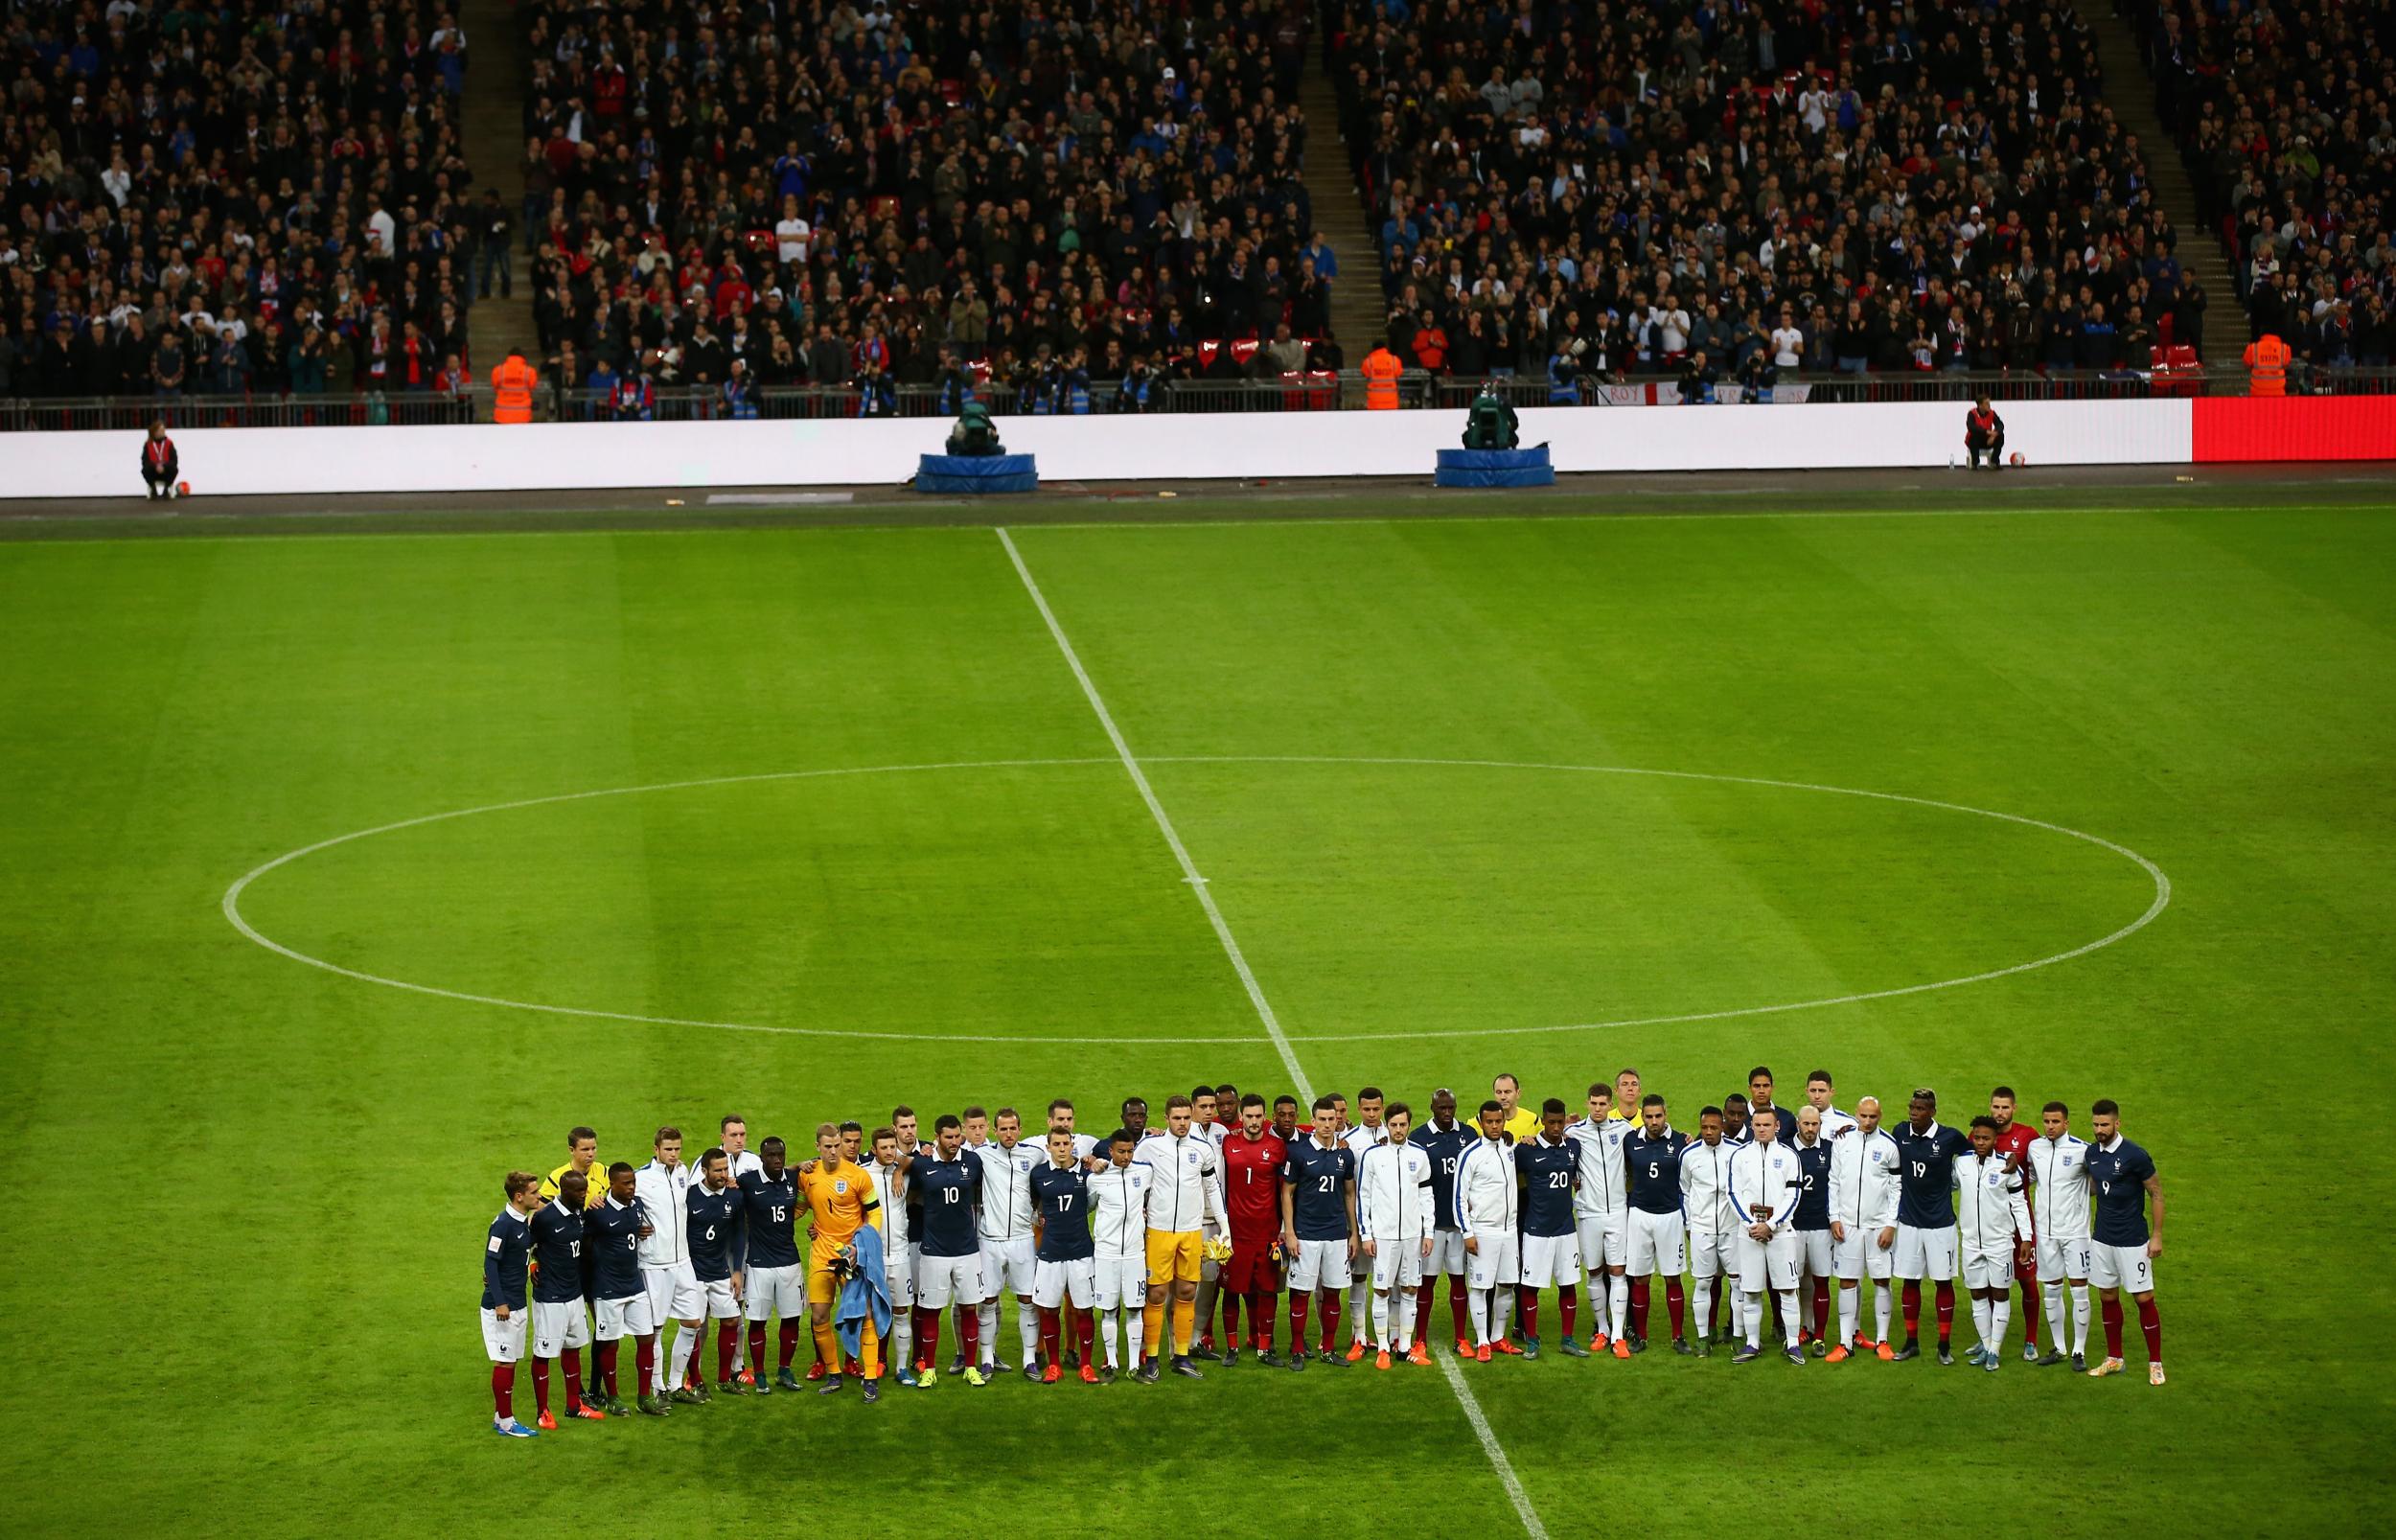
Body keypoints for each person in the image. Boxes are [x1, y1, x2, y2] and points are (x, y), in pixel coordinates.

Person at [1134, 1094, 1229, 1380]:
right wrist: (1139, 1214)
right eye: (1177, 1118)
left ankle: (1181, 1356)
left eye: (1187, 1118)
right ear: (1166, 1119)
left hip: (1191, 1231)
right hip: (1159, 1232)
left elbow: (1213, 1188)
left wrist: (1225, 1229)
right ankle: (1151, 1358)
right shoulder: (1149, 1147)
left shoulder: (1202, 1150)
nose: (1182, 1123)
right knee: (1157, 1294)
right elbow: (1134, 1181)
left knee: (1188, 1292)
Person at [799, 1120, 885, 1396]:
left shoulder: (858, 1175)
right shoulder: (807, 1175)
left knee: (865, 1313)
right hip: (823, 1255)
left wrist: (862, 1246)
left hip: (850, 1257)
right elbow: (799, 1208)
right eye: (828, 1147)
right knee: (819, 1315)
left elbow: (875, 1213)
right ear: (817, 1148)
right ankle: (834, 1373)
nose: (834, 1151)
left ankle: (870, 1377)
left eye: (837, 1145)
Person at [2085, 1099, 2165, 1384]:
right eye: (2095, 1125)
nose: (2099, 1130)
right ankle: (2114, 1358)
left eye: (2104, 1125)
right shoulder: (2092, 1153)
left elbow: (2156, 1193)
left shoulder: (2135, 1155)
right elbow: (2096, 1186)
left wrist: (2156, 1235)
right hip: (2103, 1238)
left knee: (2143, 1298)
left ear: (2117, 1123)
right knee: (2107, 1295)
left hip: (2132, 1240)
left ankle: (2155, 1362)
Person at [1279, 1094, 1358, 1369]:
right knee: (1300, 1293)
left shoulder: (1345, 1155)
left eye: (1332, 1119)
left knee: (1334, 1292)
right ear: (1312, 1122)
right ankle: (1298, 1349)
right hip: (1306, 1233)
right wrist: (1289, 1232)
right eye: (1322, 1119)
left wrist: (1354, 1233)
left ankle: (1328, 1347)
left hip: (1336, 1233)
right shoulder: (1299, 1153)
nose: (1327, 1124)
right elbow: (1287, 1193)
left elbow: (1350, 1194)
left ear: (1339, 1121)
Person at [1891, 1090, 1970, 1364]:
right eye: (1912, 1107)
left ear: (1933, 1111)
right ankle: (1911, 1342)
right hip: (1909, 1223)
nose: (1914, 1112)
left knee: (1943, 1281)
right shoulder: (1900, 1132)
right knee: (1909, 1280)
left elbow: (1976, 1152)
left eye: (1921, 1108)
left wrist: (1957, 1181)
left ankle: (1944, 1346)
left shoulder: (1950, 1137)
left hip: (1940, 1225)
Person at [1356, 1101, 1435, 1368]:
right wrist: (1366, 1234)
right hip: (1384, 1236)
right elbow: (1363, 1196)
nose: (1398, 1129)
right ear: (1386, 1125)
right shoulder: (1373, 1156)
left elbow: (1426, 1195)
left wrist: (1429, 1231)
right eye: (1394, 1125)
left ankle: (1404, 1346)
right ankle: (1382, 1347)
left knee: (1411, 1288)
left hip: (1413, 1235)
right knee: (1381, 1290)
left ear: (1408, 1125)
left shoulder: (1420, 1155)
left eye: (1403, 1124)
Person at [910, 1115, 986, 1385]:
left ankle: (971, 1366)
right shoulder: (922, 1164)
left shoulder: (972, 1162)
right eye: (948, 1137)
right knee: (931, 1310)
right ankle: (929, 1368)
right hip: (933, 1251)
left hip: (967, 1249)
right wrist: (898, 1171)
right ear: (937, 1136)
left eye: (957, 1137)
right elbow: (903, 1166)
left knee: (969, 1308)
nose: (954, 1142)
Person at [1725, 1108, 1806, 1365]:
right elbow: (1733, 1193)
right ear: (1751, 1126)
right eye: (1757, 1124)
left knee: (1788, 1289)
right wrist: (1752, 1224)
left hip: (1780, 1234)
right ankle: (1752, 1343)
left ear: (1777, 1126)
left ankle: (1792, 1343)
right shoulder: (1740, 1156)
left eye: (1766, 1124)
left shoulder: (1789, 1156)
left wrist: (1771, 1224)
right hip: (1748, 1234)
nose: (1761, 1129)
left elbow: (1793, 1196)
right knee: (1750, 1291)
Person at [1827, 1095, 1902, 1361]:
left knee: (1882, 1280)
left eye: (1873, 1116)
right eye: (1863, 1116)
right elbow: (1833, 1181)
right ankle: (1845, 1343)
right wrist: (1834, 1217)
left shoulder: (1889, 1146)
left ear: (1880, 1116)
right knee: (1847, 1281)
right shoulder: (1842, 1141)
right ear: (1856, 1115)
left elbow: (1896, 1188)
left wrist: (1891, 1224)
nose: (1867, 1121)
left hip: (1878, 1227)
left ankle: (1883, 1340)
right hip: (1847, 1225)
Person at [587, 1162, 665, 1415]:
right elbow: (582, 1244)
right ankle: (613, 1398)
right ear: (612, 1184)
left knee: (647, 1338)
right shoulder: (597, 1212)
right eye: (626, 1183)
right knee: (610, 1344)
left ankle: (644, 1397)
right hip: (608, 1289)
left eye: (633, 1182)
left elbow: (632, 1229)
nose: (632, 1187)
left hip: (635, 1284)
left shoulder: (637, 1206)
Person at [1956, 1117, 2034, 1372]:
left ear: (1994, 1141)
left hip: (2000, 1243)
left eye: (1986, 1138)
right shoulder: (1962, 1164)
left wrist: (2027, 1238)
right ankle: (1987, 1345)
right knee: (1977, 1293)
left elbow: (2020, 1204)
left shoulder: (2006, 1168)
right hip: (1970, 1242)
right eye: (1977, 1137)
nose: (1980, 1142)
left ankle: (1995, 1351)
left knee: (2000, 1294)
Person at [633, 1128, 703, 1403]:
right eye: (668, 1149)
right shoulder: (641, 1178)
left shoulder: (684, 1172)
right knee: (655, 1329)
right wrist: (636, 1224)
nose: (674, 1154)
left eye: (677, 1149)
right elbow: (616, 1199)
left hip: (683, 1260)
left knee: (693, 1322)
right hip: (654, 1263)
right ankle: (657, 1387)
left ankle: (675, 1385)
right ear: (656, 1149)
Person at [528, 1170, 602, 1427]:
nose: (584, 1195)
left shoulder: (580, 1212)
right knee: (544, 1353)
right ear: (564, 1191)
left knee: (573, 1347)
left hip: (574, 1293)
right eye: (579, 1191)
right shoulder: (545, 1218)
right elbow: (527, 1245)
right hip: (550, 1297)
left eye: (585, 1190)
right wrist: (531, 1266)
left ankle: (574, 1405)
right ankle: (543, 1412)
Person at [1565, 1084, 1633, 1357]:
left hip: (1617, 1211)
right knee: (1594, 1271)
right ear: (1587, 1103)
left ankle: (1618, 1335)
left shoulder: (1624, 1130)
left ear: (1610, 1104)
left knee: (1617, 1271)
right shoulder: (1574, 1133)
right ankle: (1602, 1329)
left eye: (1602, 1104)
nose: (1597, 1109)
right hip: (1588, 1213)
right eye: (1593, 1103)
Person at [2026, 1101, 2095, 1369]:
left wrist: (2079, 1201)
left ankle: (2079, 1351)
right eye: (2046, 1121)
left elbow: (2097, 1182)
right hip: (2045, 1231)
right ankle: (2059, 1347)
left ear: (2066, 1123)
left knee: (2079, 1290)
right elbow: (2030, 1177)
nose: (2050, 1126)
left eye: (2056, 1122)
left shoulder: (2082, 1150)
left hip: (2076, 1232)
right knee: (2051, 1290)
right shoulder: (2036, 1148)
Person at [1219, 1093, 1286, 1365]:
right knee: (1232, 1290)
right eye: (1250, 1116)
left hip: (1267, 1233)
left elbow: (1285, 1191)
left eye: (1259, 1116)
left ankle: (1264, 1347)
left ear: (1264, 1116)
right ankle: (1232, 1348)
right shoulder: (1228, 1142)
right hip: (1236, 1234)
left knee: (1267, 1290)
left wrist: (1282, 1230)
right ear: (1242, 1116)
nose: (1255, 1121)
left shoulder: (1277, 1147)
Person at [976, 1108, 1043, 1379]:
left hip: (1022, 1239)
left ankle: (1029, 1359)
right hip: (990, 1240)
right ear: (995, 1131)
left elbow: (1058, 1164)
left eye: (1012, 1128)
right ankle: (987, 1358)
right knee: (988, 1300)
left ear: (1020, 1129)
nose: (1008, 1133)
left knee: (1027, 1299)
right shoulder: (982, 1155)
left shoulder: (1035, 1154)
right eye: (1002, 1129)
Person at [1512, 1099, 1582, 1359]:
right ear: (1542, 1121)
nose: (1555, 1127)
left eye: (1560, 1122)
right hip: (1536, 1230)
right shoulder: (1526, 1150)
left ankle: (1568, 1339)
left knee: (1569, 1284)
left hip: (1566, 1229)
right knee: (1530, 1286)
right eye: (1551, 1122)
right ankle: (1532, 1340)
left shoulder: (1573, 1146)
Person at [1029, 1129, 1100, 1383]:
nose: (1062, 1148)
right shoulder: (1038, 1175)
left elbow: (1093, 1204)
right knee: (1049, 1310)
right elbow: (1033, 1206)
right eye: (1056, 1144)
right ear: (1048, 1147)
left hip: (1081, 1252)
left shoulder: (1085, 1174)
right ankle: (1054, 1365)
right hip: (1050, 1252)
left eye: (1066, 1143)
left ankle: (1086, 1365)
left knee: (1084, 1310)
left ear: (1072, 1145)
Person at [1454, 1100, 1523, 1362]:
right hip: (1483, 1231)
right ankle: (1482, 1340)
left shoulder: (1508, 1148)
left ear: (1504, 1121)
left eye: (1499, 1121)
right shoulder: (1470, 1154)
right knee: (1480, 1287)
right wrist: (1467, 1232)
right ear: (1480, 1122)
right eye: (1489, 1122)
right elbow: (1459, 1197)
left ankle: (1497, 1337)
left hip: (1509, 1231)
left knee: (1507, 1284)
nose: (1495, 1126)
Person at [1412, 1088, 1478, 1356]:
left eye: (1451, 1107)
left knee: (1459, 1281)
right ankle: (1421, 1339)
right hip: (1433, 1225)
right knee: (1426, 1282)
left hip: (1460, 1225)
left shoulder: (1468, 1135)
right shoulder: (1418, 1138)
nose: (1447, 1113)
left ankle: (1461, 1338)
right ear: (1432, 1108)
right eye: (1442, 1108)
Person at [739, 1137, 808, 1392]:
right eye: (771, 1155)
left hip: (790, 1261)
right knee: (758, 1320)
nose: (777, 1159)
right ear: (761, 1157)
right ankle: (759, 1374)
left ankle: (785, 1371)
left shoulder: (792, 1179)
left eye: (780, 1154)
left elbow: (803, 1176)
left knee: (791, 1318)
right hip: (758, 1264)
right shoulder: (748, 1182)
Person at [1625, 1094, 1693, 1353]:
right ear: (1643, 1116)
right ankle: (1640, 1337)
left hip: (1670, 1216)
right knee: (1640, 1278)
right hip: (1639, 1215)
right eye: (1649, 1117)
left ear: (1666, 1114)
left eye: (1659, 1116)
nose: (1654, 1122)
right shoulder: (1631, 1140)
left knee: (1672, 1277)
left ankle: (1678, 1337)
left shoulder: (1681, 1142)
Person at [1086, 1130, 1153, 1382]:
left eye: (1130, 1151)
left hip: (1135, 1253)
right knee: (1109, 1310)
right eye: (1121, 1152)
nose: (1126, 1156)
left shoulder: (1144, 1172)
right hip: (1106, 1253)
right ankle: (1112, 1363)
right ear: (1111, 1151)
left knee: (1135, 1308)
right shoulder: (1097, 1179)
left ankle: (1134, 1366)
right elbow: (1087, 1207)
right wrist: (1092, 1167)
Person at [481, 1170, 543, 1437]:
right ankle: (506, 1422)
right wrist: (500, 1302)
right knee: (504, 1362)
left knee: (512, 1360)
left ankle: (500, 1416)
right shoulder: (503, 1224)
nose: (538, 1196)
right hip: (502, 1307)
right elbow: (490, 1263)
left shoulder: (521, 1221)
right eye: (534, 1192)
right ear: (519, 1196)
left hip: (518, 1302)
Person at [1987, 1088, 2044, 1362]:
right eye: (1995, 1107)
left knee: (2027, 1281)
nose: (1999, 1113)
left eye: (2004, 1108)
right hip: (1990, 1222)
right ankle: (1987, 1338)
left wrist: (2019, 1187)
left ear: (2014, 1109)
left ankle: (2031, 1339)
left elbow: (2035, 1169)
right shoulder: (1983, 1134)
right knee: (1989, 1282)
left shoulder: (2027, 1136)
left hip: (2021, 1223)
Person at [1679, 1106, 1739, 1354]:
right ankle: (1703, 1337)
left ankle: (1738, 1336)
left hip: (1732, 1228)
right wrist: (1690, 1224)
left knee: (1738, 1283)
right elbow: (1683, 1191)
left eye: (1714, 1127)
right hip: (1703, 1228)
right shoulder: (1689, 1154)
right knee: (1703, 1283)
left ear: (1722, 1127)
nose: (1709, 1132)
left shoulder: (1737, 1153)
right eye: (1704, 1127)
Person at [1337, 1089, 1390, 1359]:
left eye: (1376, 1109)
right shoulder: (1346, 1141)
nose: (1371, 1114)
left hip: (1391, 1222)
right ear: (1359, 1108)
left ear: (1382, 1108)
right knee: (1358, 1277)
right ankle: (1359, 1335)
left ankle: (1390, 1337)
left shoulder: (1395, 1136)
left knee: (1389, 1279)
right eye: (1366, 1109)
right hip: (1358, 1222)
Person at [866, 1129, 920, 1386]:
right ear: (874, 1150)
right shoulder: (864, 1176)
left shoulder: (905, 1171)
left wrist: (899, 1168)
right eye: (884, 1148)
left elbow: (917, 1159)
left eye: (892, 1147)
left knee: (901, 1311)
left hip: (900, 1254)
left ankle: (901, 1368)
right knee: (872, 1314)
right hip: (874, 1257)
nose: (889, 1152)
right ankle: (874, 1364)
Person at [1790, 1107, 1836, 1352]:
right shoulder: (1786, 1149)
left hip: (1821, 1227)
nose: (1810, 1129)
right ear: (1798, 1123)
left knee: (1821, 1280)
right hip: (1793, 1228)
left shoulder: (1830, 1149)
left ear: (1820, 1124)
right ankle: (1799, 1329)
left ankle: (1819, 1335)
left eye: (1814, 1124)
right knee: (1792, 1282)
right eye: (1806, 1124)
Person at [538, 1127, 606, 1207]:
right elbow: (537, 1211)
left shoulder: (603, 1171)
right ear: (571, 1150)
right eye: (585, 1149)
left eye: (593, 1148)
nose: (591, 1154)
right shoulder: (557, 1177)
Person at [1462, 382, 1520, 448]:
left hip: (1477, 441)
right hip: (1501, 441)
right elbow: (1514, 422)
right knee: (1514, 438)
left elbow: (1471, 421)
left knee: (1465, 436)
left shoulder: (1476, 402)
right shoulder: (1504, 402)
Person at [1804, 1070, 1858, 1138]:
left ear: (1831, 1092)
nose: (1817, 1096)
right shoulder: (1796, 1125)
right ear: (1807, 1092)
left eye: (1822, 1091)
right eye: (1813, 1091)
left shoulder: (1848, 1123)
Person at [490, 350, 538, 423]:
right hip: (523, 414)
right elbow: (532, 387)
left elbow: (495, 386)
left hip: (502, 414)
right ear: (522, 357)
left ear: (508, 356)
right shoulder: (529, 371)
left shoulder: (498, 370)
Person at [1492, 1073, 1538, 1142]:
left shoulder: (1533, 1120)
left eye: (1507, 1092)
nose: (1503, 1097)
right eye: (1498, 1092)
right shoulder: (1485, 1120)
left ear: (1518, 1093)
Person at [1965, 393, 2006, 469]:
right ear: (1980, 405)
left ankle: (1994, 461)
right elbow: (1971, 427)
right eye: (1986, 403)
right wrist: (1986, 431)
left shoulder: (1991, 413)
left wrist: (1994, 435)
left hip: (1988, 439)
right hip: (1975, 441)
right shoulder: (1972, 413)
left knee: (2001, 436)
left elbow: (2000, 424)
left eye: (1989, 403)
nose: (1989, 405)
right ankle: (1975, 463)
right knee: (1974, 436)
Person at [1361, 336, 1404, 408]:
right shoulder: (1394, 360)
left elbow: (1365, 373)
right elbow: (1399, 373)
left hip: (1374, 400)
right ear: (1385, 348)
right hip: (1391, 400)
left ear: (1373, 349)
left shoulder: (1368, 361)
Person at [140, 421, 179, 499]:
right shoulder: (148, 444)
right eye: (160, 430)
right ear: (154, 432)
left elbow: (174, 460)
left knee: (174, 469)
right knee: (145, 469)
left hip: (166, 471)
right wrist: (155, 466)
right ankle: (153, 489)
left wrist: (164, 466)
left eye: (163, 430)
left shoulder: (169, 443)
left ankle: (166, 490)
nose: (163, 432)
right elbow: (145, 461)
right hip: (153, 471)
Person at [2244, 332, 2290, 397]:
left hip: (2257, 391)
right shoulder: (2284, 348)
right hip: (2278, 391)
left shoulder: (2253, 347)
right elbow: (2286, 363)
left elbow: (2246, 362)